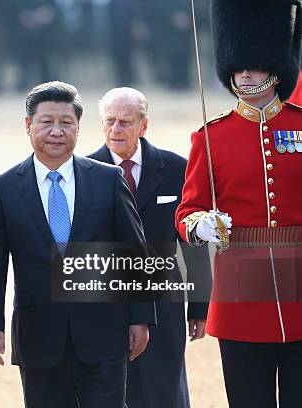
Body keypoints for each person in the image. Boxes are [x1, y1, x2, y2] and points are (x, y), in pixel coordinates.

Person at [0, 81, 155, 408]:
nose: (56, 131)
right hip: (38, 335)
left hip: (104, 331)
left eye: (66, 123)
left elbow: (134, 251)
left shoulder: (107, 179)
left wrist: (140, 317)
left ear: (78, 128)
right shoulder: (4, 188)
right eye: (46, 122)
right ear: (28, 126)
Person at [175, 1, 302, 407]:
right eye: (238, 66)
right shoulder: (212, 137)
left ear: (275, 68)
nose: (244, 73)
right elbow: (187, 208)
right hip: (241, 291)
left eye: (254, 65)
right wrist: (200, 225)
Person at [88, 87, 211, 408]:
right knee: (112, 392)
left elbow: (193, 243)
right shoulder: (84, 173)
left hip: (164, 305)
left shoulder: (176, 169)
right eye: (110, 121)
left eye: (125, 122)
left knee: (164, 390)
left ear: (144, 125)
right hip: (107, 304)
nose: (116, 130)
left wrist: (199, 306)